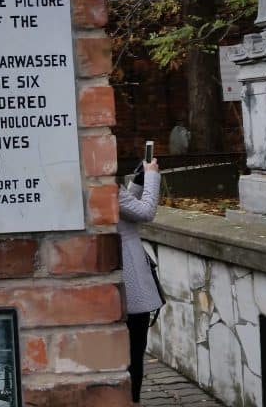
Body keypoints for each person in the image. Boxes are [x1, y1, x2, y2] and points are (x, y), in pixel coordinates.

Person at [119, 158, 163, 405]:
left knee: (133, 347)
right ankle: (131, 400)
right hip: (130, 276)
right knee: (134, 349)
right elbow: (145, 212)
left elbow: (125, 213)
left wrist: (137, 182)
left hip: (124, 272)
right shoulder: (102, 187)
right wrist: (152, 176)